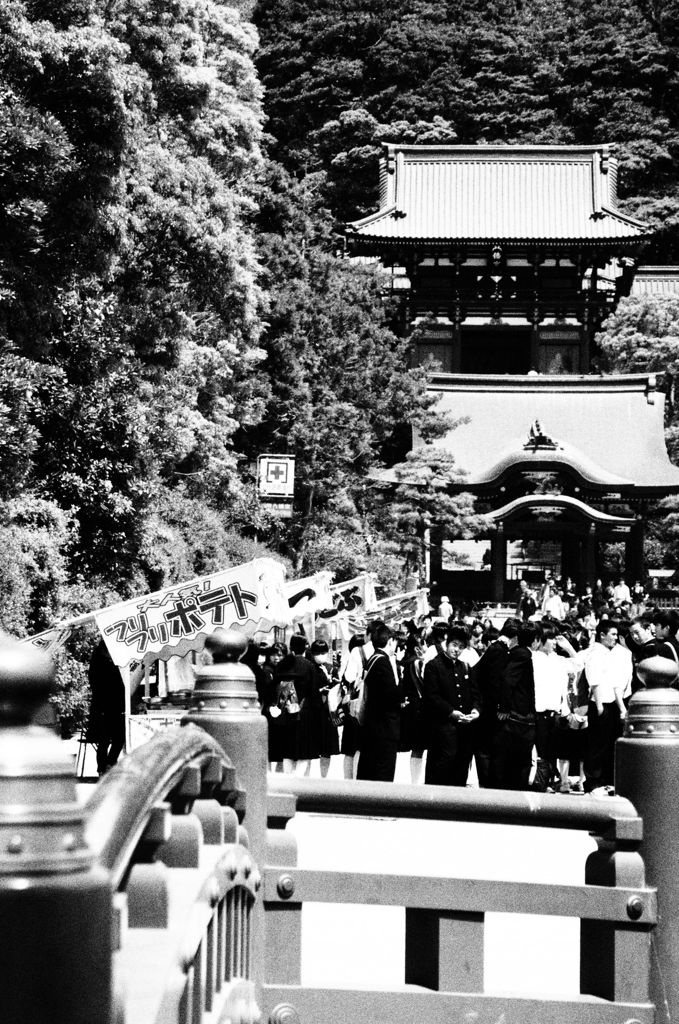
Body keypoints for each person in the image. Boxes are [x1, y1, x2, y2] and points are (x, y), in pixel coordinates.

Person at [422, 625, 481, 786]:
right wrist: (451, 712)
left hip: (464, 729)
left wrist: (476, 710)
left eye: (461, 647)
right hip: (443, 727)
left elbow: (475, 694)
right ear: (447, 643)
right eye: (454, 645)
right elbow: (432, 697)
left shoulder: (464, 667)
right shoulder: (433, 666)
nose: (457, 650)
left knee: (461, 767)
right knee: (442, 767)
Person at [471, 617, 520, 787]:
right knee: (487, 747)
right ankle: (488, 783)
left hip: (487, 705)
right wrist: (501, 706)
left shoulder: (494, 648)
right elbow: (495, 682)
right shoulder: (499, 651)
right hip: (490, 708)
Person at [492, 622, 540, 791]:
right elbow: (507, 680)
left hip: (516, 716)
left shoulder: (517, 652)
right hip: (518, 716)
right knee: (519, 762)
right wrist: (504, 708)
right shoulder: (523, 655)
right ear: (535, 641)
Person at [583, 621, 628, 794]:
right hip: (600, 702)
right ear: (602, 635)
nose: (615, 638)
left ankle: (606, 780)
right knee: (596, 744)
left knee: (608, 743)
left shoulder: (610, 653)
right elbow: (594, 681)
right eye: (613, 634)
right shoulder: (595, 653)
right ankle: (593, 781)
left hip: (612, 702)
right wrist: (600, 705)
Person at [356, 625, 401, 782]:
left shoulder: (372, 659)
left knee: (369, 769)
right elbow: (391, 694)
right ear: (390, 641)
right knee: (382, 772)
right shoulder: (383, 661)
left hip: (372, 724)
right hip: (385, 727)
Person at [531, 625, 572, 792]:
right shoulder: (533, 658)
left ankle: (548, 781)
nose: (555, 642)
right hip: (538, 711)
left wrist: (568, 647)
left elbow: (578, 664)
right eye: (552, 638)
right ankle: (540, 783)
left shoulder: (558, 660)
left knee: (551, 750)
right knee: (540, 751)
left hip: (555, 712)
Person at [88, 639, 125, 776]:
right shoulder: (100, 665)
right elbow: (105, 687)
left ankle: (107, 766)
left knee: (115, 738)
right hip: (104, 708)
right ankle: (104, 767)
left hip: (109, 707)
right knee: (107, 740)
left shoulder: (105, 663)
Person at [307, 639, 339, 778]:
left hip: (328, 712)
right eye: (317, 653)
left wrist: (330, 679)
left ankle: (323, 777)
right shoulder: (308, 668)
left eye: (323, 652)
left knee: (327, 749)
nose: (321, 655)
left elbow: (338, 689)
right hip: (313, 711)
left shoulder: (331, 668)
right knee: (308, 748)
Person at [399, 632, 427, 783]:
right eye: (423, 644)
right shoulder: (417, 663)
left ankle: (413, 780)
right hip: (419, 707)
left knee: (412, 747)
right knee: (418, 748)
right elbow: (424, 685)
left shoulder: (403, 661)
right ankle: (415, 782)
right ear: (417, 648)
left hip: (408, 706)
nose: (425, 647)